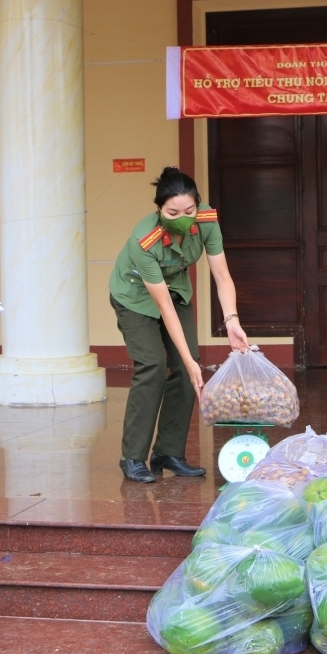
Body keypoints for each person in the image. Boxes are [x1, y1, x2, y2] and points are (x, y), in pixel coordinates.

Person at [109, 167, 248, 483]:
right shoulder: (144, 240)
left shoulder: (207, 222)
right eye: (172, 212)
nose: (183, 217)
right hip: (134, 295)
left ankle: (168, 452)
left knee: (189, 370)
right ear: (158, 209)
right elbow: (163, 307)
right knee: (154, 364)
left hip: (175, 288)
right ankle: (132, 458)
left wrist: (232, 321)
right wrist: (187, 361)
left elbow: (222, 275)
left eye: (189, 210)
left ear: (198, 204)